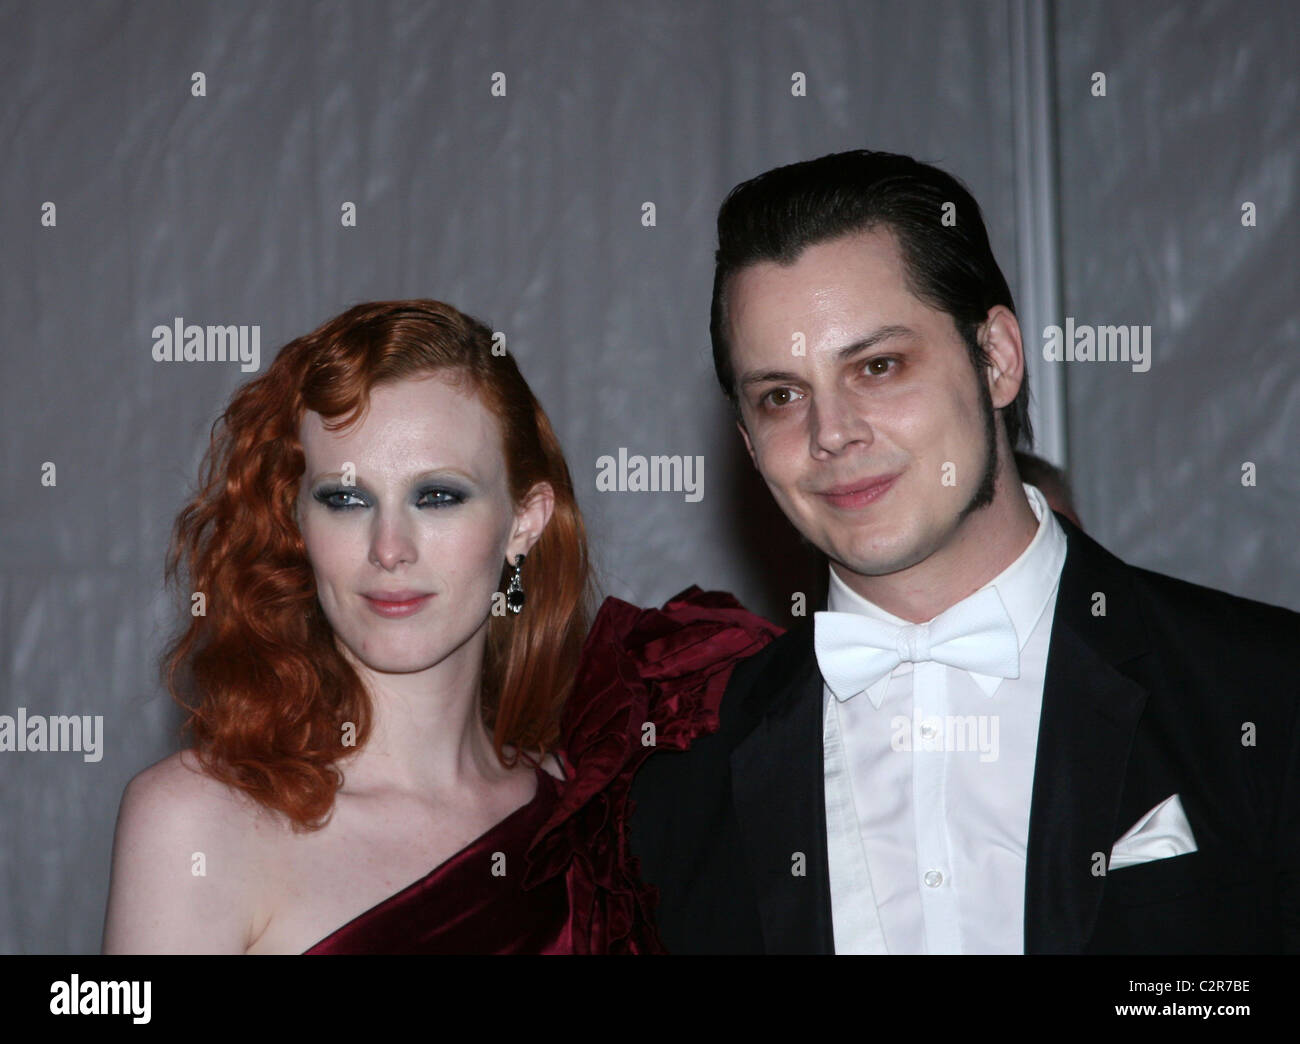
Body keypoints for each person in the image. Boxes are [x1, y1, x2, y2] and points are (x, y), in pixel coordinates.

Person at [624, 149, 1300, 954]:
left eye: (878, 366)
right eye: (781, 395)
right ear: (746, 439)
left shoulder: (1263, 694)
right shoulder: (690, 771)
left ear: (998, 359)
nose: (830, 432)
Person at [102, 299, 647, 953]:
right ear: (297, 523)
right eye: (346, 498)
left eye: (438, 495)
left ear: (523, 523)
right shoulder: (195, 822)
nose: (389, 548)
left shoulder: (589, 821)